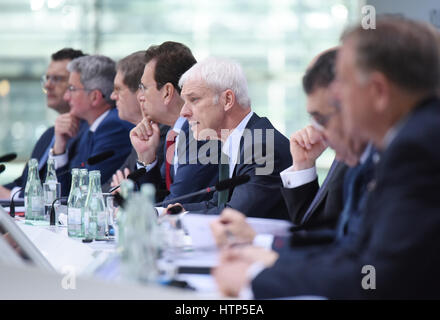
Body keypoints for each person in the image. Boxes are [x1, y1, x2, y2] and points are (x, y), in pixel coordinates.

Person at [213, 16, 440, 299]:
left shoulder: (416, 149)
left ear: (379, 92)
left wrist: (253, 280)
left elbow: (376, 277)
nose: (337, 97)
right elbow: (351, 246)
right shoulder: (406, 140)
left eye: (343, 84)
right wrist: (265, 255)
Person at [211, 48, 371, 251]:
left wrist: (259, 242)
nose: (317, 129)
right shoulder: (351, 155)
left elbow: (340, 252)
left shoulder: (262, 143)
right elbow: (316, 230)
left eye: (322, 118)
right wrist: (303, 167)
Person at [177, 57, 291, 219]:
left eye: (194, 99)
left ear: (227, 100)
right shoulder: (235, 140)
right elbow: (218, 204)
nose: (183, 112)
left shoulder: (262, 146)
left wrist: (180, 218)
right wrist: (166, 212)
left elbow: (235, 216)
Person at [130, 41, 219, 204]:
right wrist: (146, 158)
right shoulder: (176, 133)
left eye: (144, 87)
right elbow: (159, 198)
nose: (140, 97)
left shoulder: (199, 134)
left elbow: (175, 205)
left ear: (167, 92)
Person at [0, 48, 86, 199]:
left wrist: (12, 195)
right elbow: (23, 182)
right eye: (47, 78)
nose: (48, 85)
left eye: (58, 79)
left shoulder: (88, 132)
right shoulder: (49, 135)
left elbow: (64, 197)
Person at [49, 55, 134, 196]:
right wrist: (59, 147)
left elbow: (82, 193)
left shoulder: (113, 127)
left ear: (95, 96)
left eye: (72, 89)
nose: (66, 97)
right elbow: (60, 193)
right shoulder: (88, 128)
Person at [103, 51, 169, 192]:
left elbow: (158, 197)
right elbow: (112, 186)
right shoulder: (143, 132)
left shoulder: (164, 135)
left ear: (140, 92)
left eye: (118, 89)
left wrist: (128, 192)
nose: (112, 96)